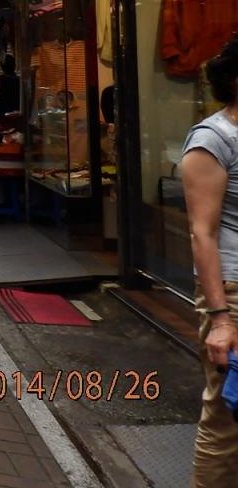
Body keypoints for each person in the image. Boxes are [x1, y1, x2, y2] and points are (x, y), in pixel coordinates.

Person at [182, 37, 238, 485]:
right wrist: (220, 319)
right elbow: (202, 233)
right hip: (233, 293)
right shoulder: (213, 139)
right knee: (226, 422)